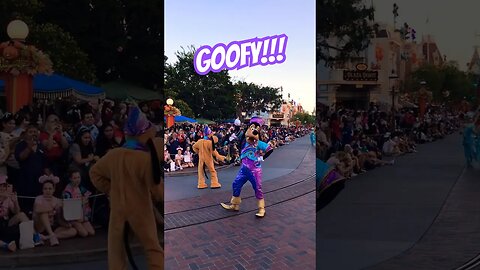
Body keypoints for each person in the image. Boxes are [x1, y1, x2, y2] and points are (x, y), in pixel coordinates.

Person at [33, 176, 77, 246]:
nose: (48, 191)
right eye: (45, 189)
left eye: (50, 189)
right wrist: (53, 208)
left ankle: (47, 237)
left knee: (73, 231)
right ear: (42, 190)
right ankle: (51, 235)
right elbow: (37, 209)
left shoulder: (56, 200)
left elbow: (60, 216)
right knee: (44, 213)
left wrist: (65, 224)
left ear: (54, 190)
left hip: (53, 226)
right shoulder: (39, 198)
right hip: (41, 226)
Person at [62, 168, 95, 237]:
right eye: (74, 178)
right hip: (74, 217)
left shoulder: (81, 188)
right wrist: (80, 203)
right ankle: (73, 227)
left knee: (91, 232)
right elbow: (69, 208)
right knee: (84, 233)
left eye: (78, 177)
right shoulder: (67, 191)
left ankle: (81, 226)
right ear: (70, 179)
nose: (77, 180)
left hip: (82, 215)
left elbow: (87, 199)